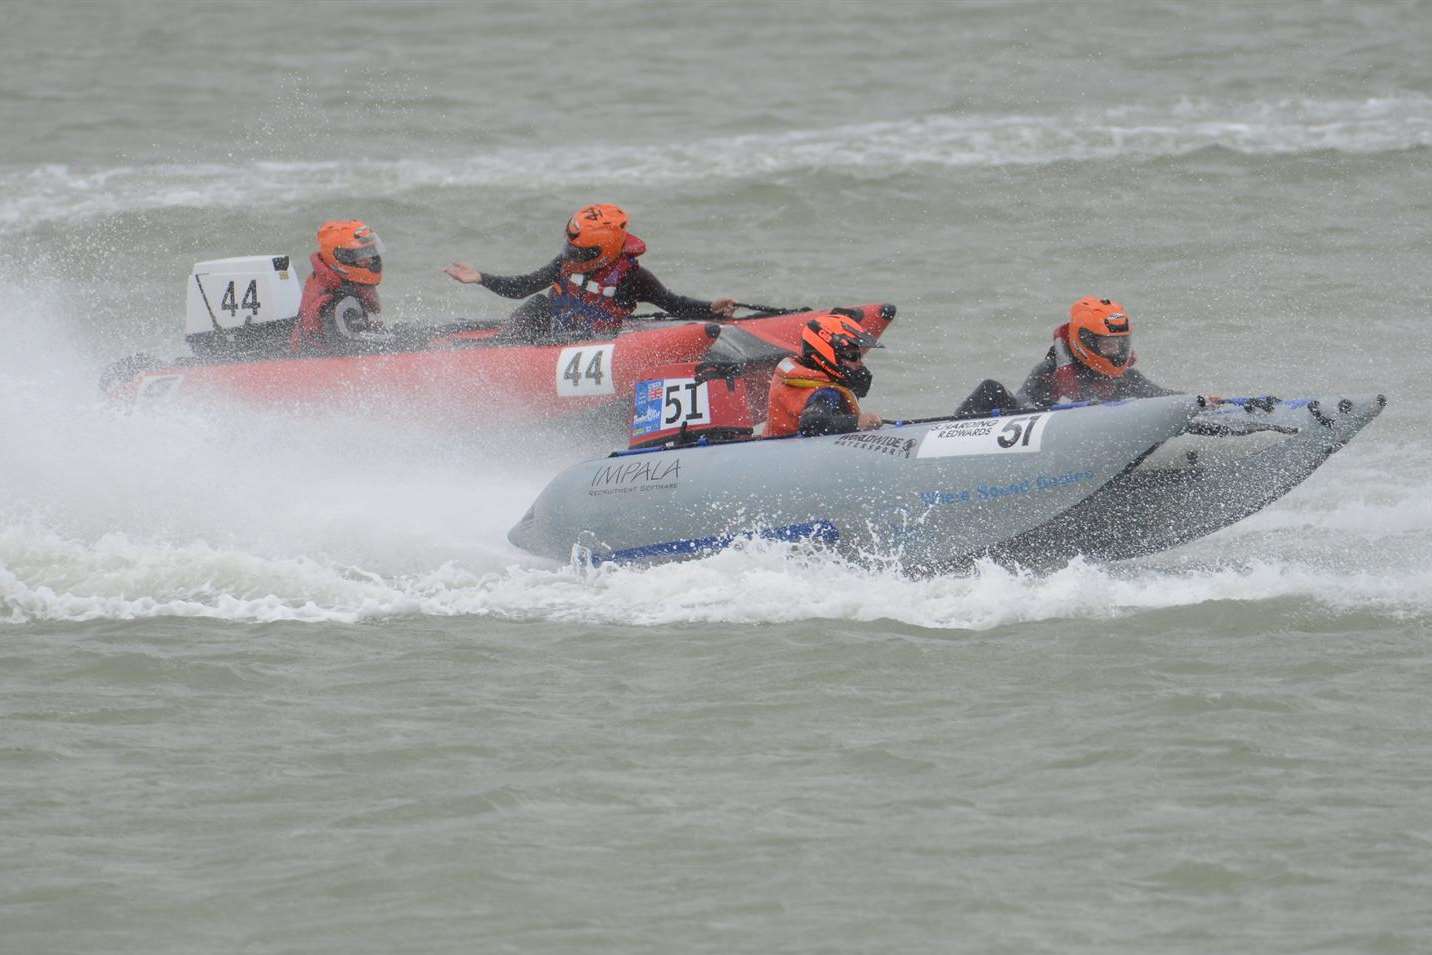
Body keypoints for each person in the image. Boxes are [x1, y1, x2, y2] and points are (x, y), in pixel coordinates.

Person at [443, 203, 737, 342]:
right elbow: (524, 286)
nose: (571, 256)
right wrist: (480, 277)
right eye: (571, 248)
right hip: (547, 337)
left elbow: (674, 304)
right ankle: (491, 350)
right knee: (537, 305)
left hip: (591, 345)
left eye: (579, 252)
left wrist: (711, 308)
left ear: (606, 249)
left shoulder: (633, 278)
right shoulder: (565, 263)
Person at [953, 295, 1176, 417]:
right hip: (1025, 429)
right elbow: (1027, 403)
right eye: (1107, 344)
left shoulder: (1127, 378)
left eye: (1119, 343)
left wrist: (1203, 402)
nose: (1115, 351)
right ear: (1085, 341)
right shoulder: (1050, 371)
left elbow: (1164, 397)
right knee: (991, 388)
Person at [765, 313, 885, 438]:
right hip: (790, 451)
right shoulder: (826, 393)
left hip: (774, 446)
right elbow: (811, 424)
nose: (860, 363)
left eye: (859, 356)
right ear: (826, 353)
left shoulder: (804, 373)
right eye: (852, 356)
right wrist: (857, 422)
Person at [291, 219, 393, 355]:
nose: (369, 259)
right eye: (361, 254)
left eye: (371, 251)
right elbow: (351, 346)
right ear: (341, 258)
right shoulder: (340, 300)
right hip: (320, 363)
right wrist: (408, 340)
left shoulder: (336, 282)